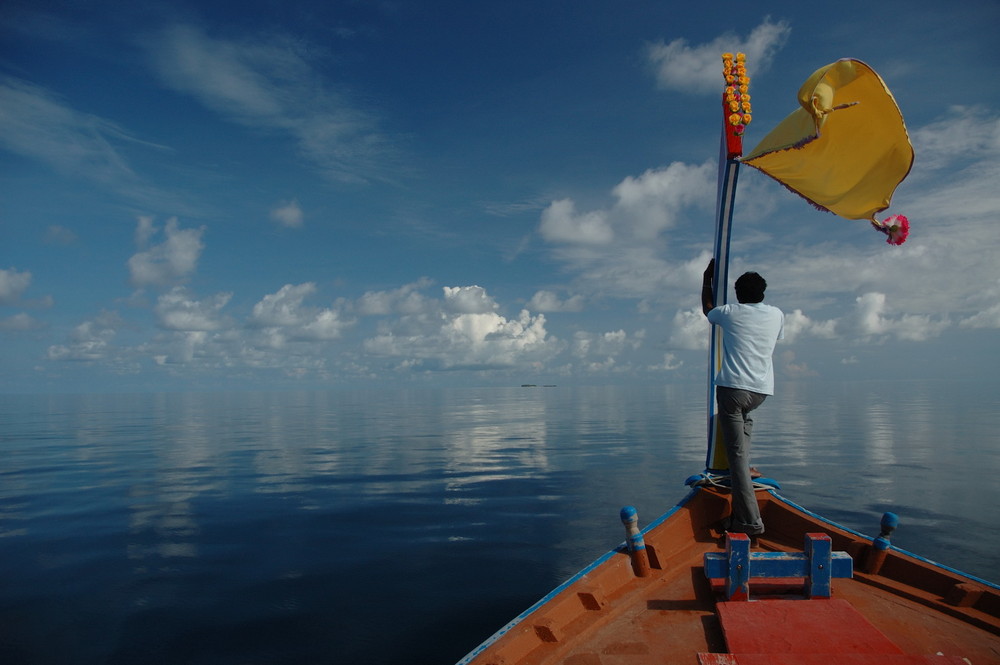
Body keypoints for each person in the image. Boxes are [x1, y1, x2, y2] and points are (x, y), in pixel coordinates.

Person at [701, 259, 784, 536]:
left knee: (735, 458)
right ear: (763, 293)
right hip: (760, 391)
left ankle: (750, 522)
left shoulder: (731, 312)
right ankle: (744, 465)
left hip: (733, 390)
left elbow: (708, 311)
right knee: (742, 436)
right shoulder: (776, 315)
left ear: (738, 294)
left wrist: (706, 280)